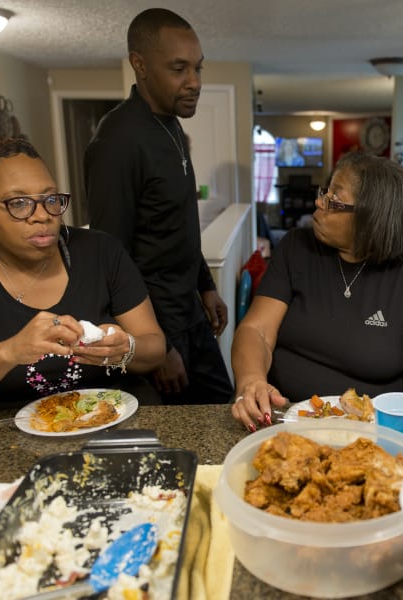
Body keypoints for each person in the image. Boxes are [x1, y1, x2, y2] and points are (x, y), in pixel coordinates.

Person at [0, 138, 166, 408]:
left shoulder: (101, 251)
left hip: (113, 414)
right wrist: (9, 352)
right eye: (18, 203)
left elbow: (155, 349)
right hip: (0, 430)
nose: (42, 215)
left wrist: (127, 348)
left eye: (50, 199)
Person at [231, 152, 403, 432]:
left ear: (372, 217)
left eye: (333, 200)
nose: (319, 202)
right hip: (284, 418)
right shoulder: (296, 247)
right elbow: (256, 330)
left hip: (373, 431)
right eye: (324, 192)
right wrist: (251, 381)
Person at [84, 8, 233, 405]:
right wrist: (153, 347)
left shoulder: (169, 126)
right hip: (157, 327)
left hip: (190, 313)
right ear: (140, 64)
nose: (195, 82)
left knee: (225, 412)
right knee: (180, 438)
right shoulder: (117, 141)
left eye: (198, 68)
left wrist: (205, 285)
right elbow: (109, 256)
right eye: (179, 69)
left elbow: (177, 224)